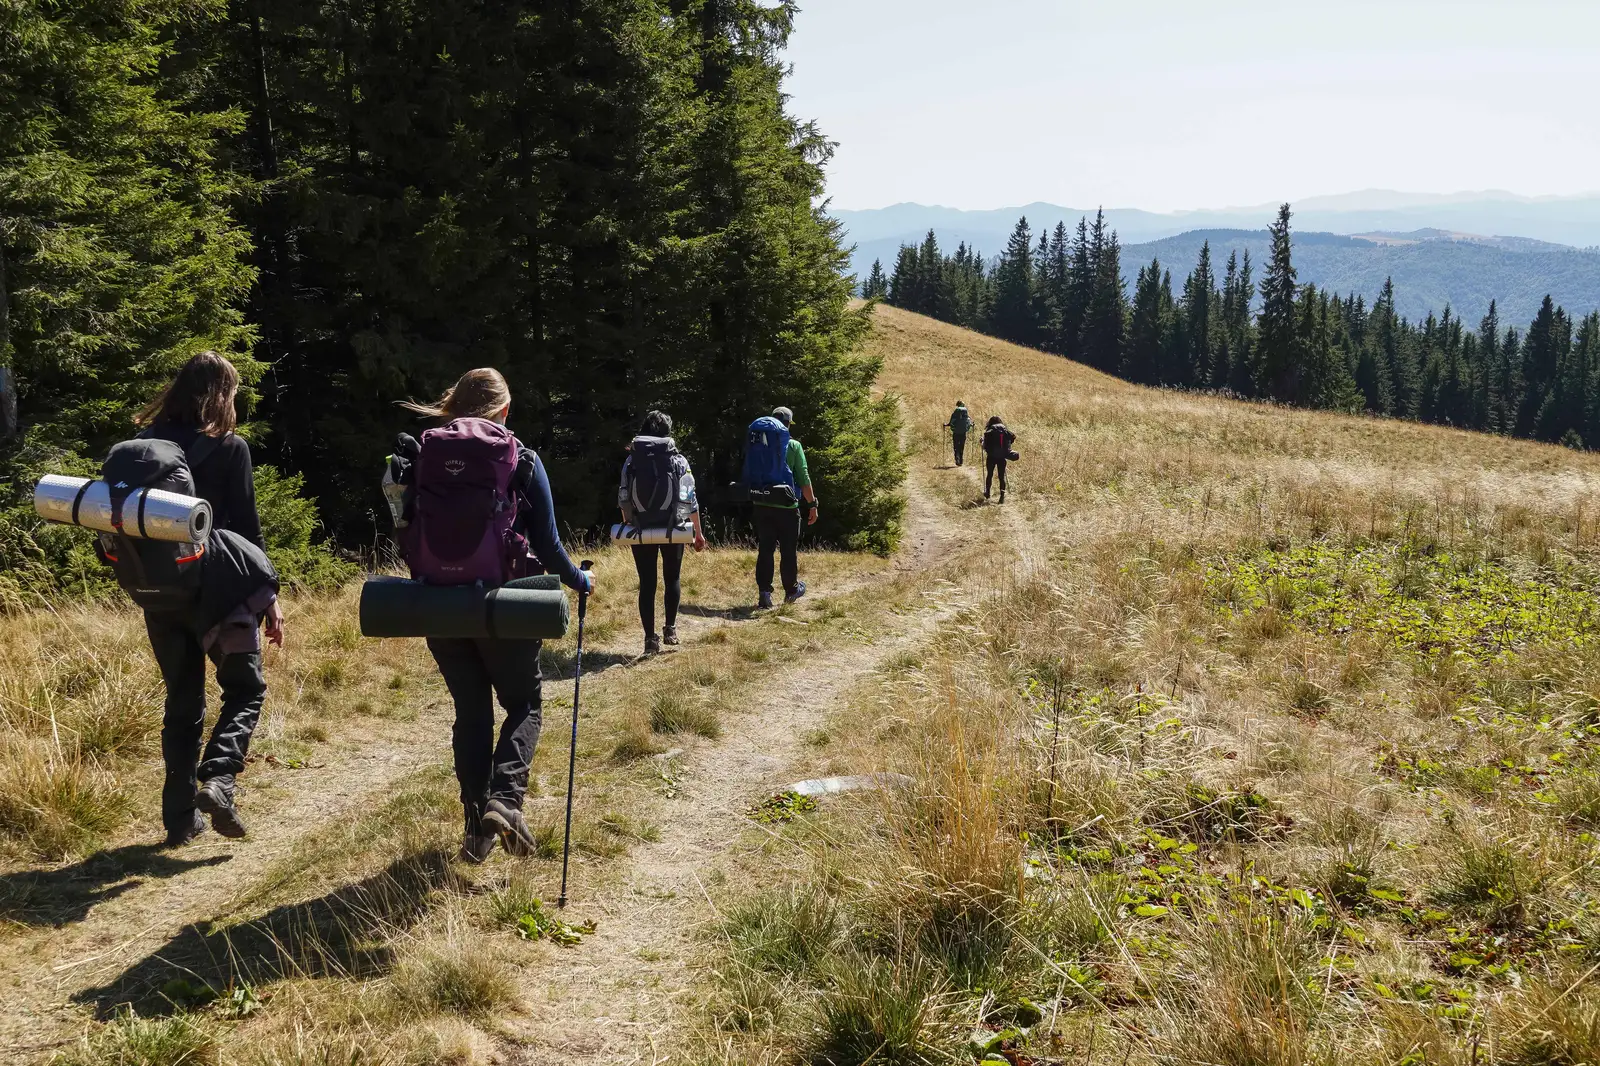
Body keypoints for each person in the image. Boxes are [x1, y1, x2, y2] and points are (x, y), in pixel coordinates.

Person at [400, 369, 595, 864]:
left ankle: (476, 829)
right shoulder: (521, 459)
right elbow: (549, 547)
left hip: (440, 606)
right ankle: (505, 802)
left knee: (471, 712)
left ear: (453, 406)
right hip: (505, 606)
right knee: (524, 704)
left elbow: (407, 530)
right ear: (504, 411)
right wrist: (580, 581)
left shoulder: (423, 455)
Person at [134, 351, 285, 847]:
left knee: (183, 702)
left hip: (159, 593)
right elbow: (244, 530)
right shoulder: (229, 447)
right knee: (245, 689)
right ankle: (219, 780)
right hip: (221, 593)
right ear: (222, 395)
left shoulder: (141, 449)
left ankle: (178, 819)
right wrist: (269, 598)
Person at [618, 410, 706, 655]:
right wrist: (698, 533)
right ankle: (671, 629)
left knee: (647, 583)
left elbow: (624, 496)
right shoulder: (677, 459)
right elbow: (690, 498)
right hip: (673, 527)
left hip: (640, 528)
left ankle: (649, 639)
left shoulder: (632, 460)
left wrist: (628, 523)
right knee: (672, 578)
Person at [750, 406, 817, 610]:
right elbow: (803, 478)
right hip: (788, 506)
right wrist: (812, 504)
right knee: (788, 550)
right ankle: (791, 590)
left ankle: (764, 593)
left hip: (761, 503)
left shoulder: (758, 444)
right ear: (788, 424)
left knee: (765, 549)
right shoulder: (794, 445)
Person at [982, 415, 1017, 503]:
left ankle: (988, 493)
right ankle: (1002, 496)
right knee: (1001, 477)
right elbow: (1013, 436)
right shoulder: (1004, 429)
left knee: (989, 474)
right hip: (1002, 456)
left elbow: (985, 445)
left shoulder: (989, 430)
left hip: (991, 456)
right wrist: (1008, 445)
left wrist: (982, 443)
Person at [946, 401, 972, 466]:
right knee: (962, 446)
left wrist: (947, 425)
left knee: (956, 445)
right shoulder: (965, 413)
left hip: (956, 432)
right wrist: (970, 425)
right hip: (963, 432)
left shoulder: (955, 413)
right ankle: (961, 460)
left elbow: (951, 422)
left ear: (957, 405)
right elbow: (968, 422)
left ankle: (957, 458)